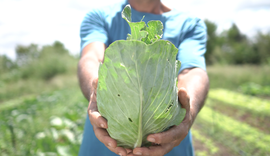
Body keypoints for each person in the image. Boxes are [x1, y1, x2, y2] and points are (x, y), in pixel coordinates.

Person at [77, 0, 209, 155]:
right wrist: (95, 90)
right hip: (104, 146)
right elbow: (91, 57)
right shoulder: (99, 17)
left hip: (169, 145)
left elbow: (193, 71)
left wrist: (189, 111)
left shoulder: (189, 24)